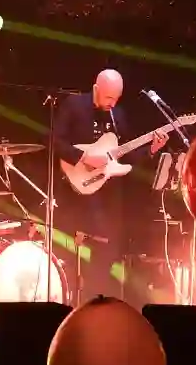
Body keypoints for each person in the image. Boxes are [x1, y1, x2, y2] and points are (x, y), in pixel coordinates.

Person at [50, 69, 166, 300]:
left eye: (116, 98)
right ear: (96, 89)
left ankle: (98, 306)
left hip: (108, 201)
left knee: (104, 261)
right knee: (75, 261)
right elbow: (54, 140)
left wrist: (151, 149)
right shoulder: (74, 105)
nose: (112, 103)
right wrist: (83, 157)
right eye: (108, 97)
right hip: (77, 196)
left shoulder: (118, 115)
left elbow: (124, 157)